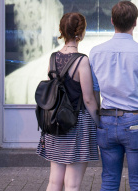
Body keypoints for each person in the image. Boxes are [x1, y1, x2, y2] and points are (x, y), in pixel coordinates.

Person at [90, 1, 138, 191]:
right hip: (136, 123)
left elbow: (94, 89)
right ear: (135, 22)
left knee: (109, 181)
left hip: (105, 121)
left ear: (112, 21)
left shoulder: (96, 53)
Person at [36, 12, 100, 191]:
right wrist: (99, 123)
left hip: (55, 124)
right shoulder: (82, 61)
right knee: (72, 184)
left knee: (54, 182)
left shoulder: (52, 58)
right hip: (77, 124)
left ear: (62, 30)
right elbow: (87, 98)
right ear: (82, 32)